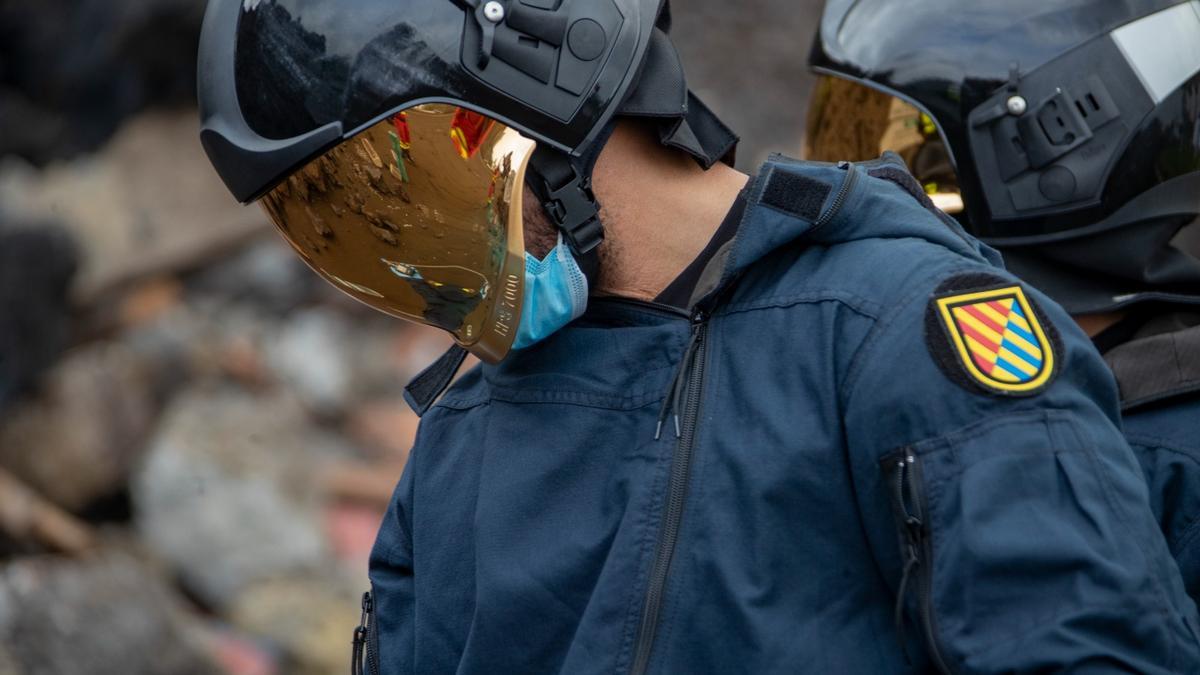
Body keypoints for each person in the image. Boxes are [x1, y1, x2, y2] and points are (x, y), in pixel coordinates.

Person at [198, 0, 1200, 672]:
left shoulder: (899, 337)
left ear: (543, 83)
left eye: (403, 192)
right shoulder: (463, 435)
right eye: (345, 232)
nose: (408, 264)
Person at [805, 0, 1200, 608]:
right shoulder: (871, 378)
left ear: (1062, 144)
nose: (845, 182)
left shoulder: (1172, 454)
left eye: (913, 164)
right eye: (841, 132)